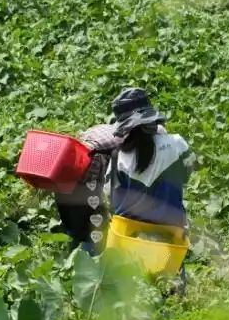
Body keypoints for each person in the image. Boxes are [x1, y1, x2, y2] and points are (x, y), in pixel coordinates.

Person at [106, 88, 196, 291]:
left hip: (127, 236)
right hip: (169, 231)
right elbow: (186, 176)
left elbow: (109, 193)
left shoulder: (118, 157)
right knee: (171, 289)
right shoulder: (177, 144)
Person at [53, 123, 124, 256]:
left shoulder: (91, 159)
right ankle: (82, 251)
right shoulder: (77, 151)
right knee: (83, 216)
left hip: (90, 159)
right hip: (95, 154)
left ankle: (81, 252)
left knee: (82, 217)